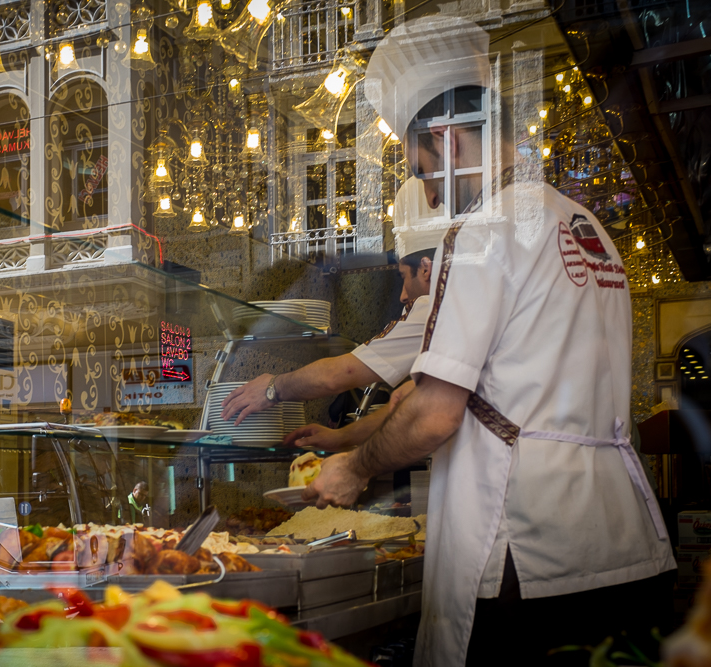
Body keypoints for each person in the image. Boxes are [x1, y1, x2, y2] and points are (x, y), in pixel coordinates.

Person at [302, 15, 675, 667]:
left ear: (446, 141)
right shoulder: (584, 224)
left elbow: (435, 412)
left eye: (421, 168)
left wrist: (352, 467)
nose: (427, 190)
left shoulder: (485, 232)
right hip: (626, 546)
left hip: (527, 558)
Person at [220, 181, 444, 441]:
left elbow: (342, 373)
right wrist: (340, 438)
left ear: (426, 269)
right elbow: (408, 403)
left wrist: (272, 388)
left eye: (404, 276)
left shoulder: (433, 308)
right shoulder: (455, 305)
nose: (403, 295)